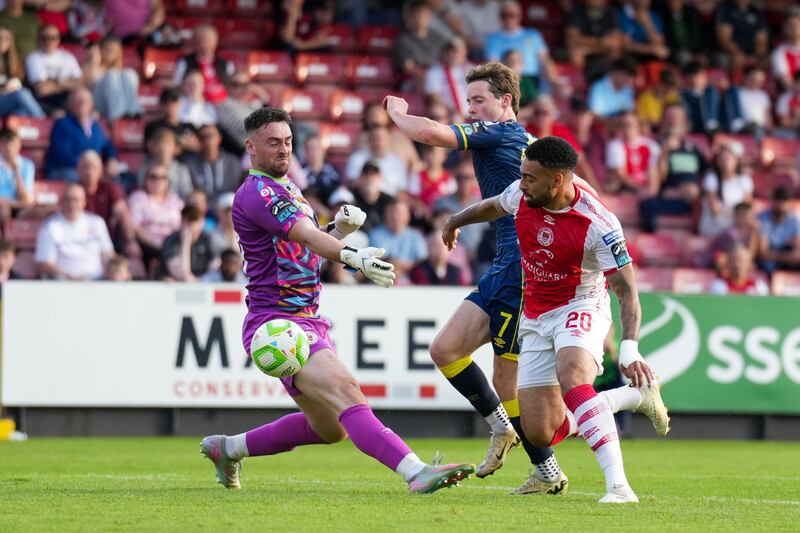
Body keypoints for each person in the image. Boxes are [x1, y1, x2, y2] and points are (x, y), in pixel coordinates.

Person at [200, 107, 475, 494]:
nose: (284, 150)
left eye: (289, 142)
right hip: (279, 323)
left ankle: (227, 448)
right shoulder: (259, 192)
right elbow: (307, 238)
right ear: (250, 147)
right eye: (273, 142)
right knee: (347, 390)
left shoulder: (287, 187)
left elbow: (304, 250)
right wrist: (353, 256)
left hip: (305, 317)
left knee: (328, 429)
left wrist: (337, 230)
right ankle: (416, 473)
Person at [441, 136, 670, 503]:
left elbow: (627, 290)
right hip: (535, 313)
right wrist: (456, 220)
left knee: (573, 377)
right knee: (540, 432)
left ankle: (619, 487)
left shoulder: (599, 223)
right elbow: (492, 206)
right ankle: (634, 397)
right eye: (522, 175)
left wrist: (629, 349)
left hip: (581, 304)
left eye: (531, 177)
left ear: (558, 180)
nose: (522, 183)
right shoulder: (522, 193)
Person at [384, 61, 568, 493]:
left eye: (478, 100)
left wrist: (395, 113)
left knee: (506, 376)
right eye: (468, 102)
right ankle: (503, 429)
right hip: (504, 262)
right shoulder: (514, 138)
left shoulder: (503, 131)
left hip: (521, 267)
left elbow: (432, 134)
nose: (471, 109)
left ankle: (547, 470)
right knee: (445, 349)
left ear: (506, 102)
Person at [34, 182, 114, 280]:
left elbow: (108, 254)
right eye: (68, 200)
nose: (72, 204)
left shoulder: (97, 223)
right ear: (61, 202)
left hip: (97, 282)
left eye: (76, 200)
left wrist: (114, 269)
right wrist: (71, 278)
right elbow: (45, 264)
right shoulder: (50, 226)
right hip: (63, 284)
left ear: (84, 202)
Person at [44, 87, 119, 181]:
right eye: (78, 101)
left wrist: (112, 159)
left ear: (91, 105)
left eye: (85, 101)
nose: (82, 105)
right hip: (65, 171)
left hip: (91, 171)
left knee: (116, 179)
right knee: (86, 178)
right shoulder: (62, 124)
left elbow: (107, 145)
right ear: (70, 104)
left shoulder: (95, 126)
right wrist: (88, 167)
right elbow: (63, 154)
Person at [484, 1, 556, 95]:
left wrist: (554, 80)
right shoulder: (493, 39)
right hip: (509, 81)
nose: (508, 19)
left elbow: (545, 60)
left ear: (520, 16)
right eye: (504, 15)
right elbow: (493, 65)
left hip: (533, 80)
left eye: (511, 15)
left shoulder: (533, 35)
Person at [127, 163, 183, 275]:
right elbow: (135, 226)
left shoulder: (175, 200)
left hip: (172, 245)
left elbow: (181, 225)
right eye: (153, 177)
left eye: (162, 177)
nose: (158, 181)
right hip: (146, 245)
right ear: (145, 180)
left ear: (167, 181)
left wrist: (168, 245)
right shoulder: (138, 198)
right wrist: (156, 246)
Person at [25, 24, 83, 115]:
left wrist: (53, 84)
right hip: (45, 102)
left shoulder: (67, 56)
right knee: (61, 114)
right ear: (38, 40)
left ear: (58, 39)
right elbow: (42, 89)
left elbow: (80, 83)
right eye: (44, 38)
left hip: (67, 99)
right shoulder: (33, 58)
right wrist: (65, 83)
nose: (49, 41)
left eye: (53, 38)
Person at [698, 144, 753, 237]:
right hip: (716, 225)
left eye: (728, 158)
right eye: (721, 158)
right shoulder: (711, 178)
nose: (725, 162)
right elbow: (715, 209)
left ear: (736, 160)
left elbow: (746, 208)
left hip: (737, 224)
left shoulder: (745, 180)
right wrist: (736, 215)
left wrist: (738, 216)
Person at [173, 23, 234, 106]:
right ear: (194, 42)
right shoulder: (184, 63)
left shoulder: (227, 65)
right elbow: (176, 87)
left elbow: (232, 89)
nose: (204, 44)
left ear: (216, 41)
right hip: (193, 105)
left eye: (208, 40)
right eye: (200, 40)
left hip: (222, 107)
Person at [368, 197, 428, 281]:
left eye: (399, 213)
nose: (395, 217)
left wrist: (395, 264)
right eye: (392, 213)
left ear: (408, 216)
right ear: (385, 215)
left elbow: (422, 263)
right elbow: (381, 262)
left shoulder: (416, 236)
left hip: (413, 283)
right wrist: (408, 265)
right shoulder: (376, 234)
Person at [86, 36, 142, 122]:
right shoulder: (91, 67)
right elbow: (87, 87)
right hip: (98, 105)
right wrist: (94, 61)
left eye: (114, 50)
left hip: (117, 106)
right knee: (111, 74)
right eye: (107, 49)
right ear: (100, 49)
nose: (111, 52)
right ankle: (118, 116)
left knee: (130, 73)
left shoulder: (119, 72)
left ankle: (134, 111)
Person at [182, 124, 243, 202]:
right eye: (202, 137)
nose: (207, 141)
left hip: (229, 206)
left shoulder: (233, 163)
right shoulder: (190, 163)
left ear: (219, 138)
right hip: (202, 208)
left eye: (210, 136)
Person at [0, 25, 45, 117]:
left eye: (6, 38)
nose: (2, 42)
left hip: (8, 104)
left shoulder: (14, 61)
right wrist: (4, 90)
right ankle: (43, 120)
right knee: (23, 93)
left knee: (23, 111)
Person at [757, 186, 800, 274]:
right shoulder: (763, 219)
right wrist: (787, 257)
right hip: (770, 260)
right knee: (768, 266)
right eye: (778, 201)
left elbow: (797, 253)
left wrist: (778, 256)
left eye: (784, 202)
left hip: (782, 255)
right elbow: (763, 252)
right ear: (773, 201)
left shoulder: (794, 220)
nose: (781, 206)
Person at [0, 128, 34, 231]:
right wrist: (16, 203)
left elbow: (25, 197)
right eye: (5, 144)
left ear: (19, 144)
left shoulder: (27, 165)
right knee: (3, 210)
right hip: (4, 207)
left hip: (20, 208)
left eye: (13, 144)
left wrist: (17, 172)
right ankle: (5, 241)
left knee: (45, 211)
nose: (10, 148)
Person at [772, 13, 800, 90]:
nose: (793, 29)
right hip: (791, 95)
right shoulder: (779, 52)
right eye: (790, 26)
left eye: (796, 25)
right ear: (785, 29)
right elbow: (785, 82)